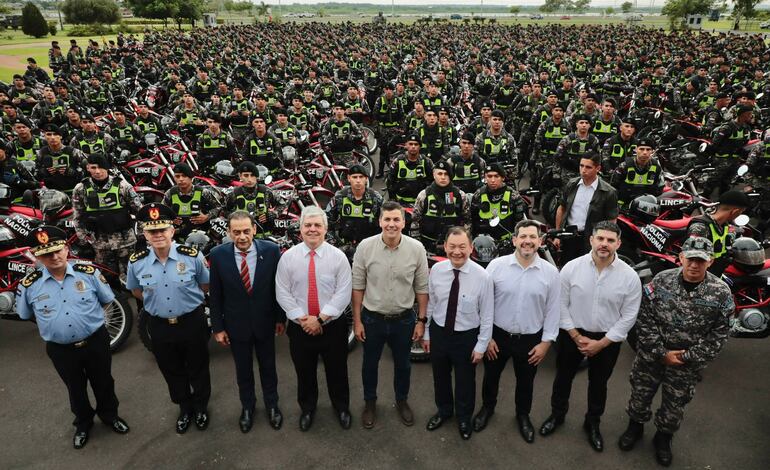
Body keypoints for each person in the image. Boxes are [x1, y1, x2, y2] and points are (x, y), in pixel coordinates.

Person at [619, 237, 733, 467]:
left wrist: (685, 357)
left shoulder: (721, 293)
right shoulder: (661, 281)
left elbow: (720, 335)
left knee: (675, 405)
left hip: (686, 364)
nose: (694, 265)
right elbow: (644, 318)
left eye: (700, 261)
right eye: (690, 259)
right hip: (651, 357)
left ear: (710, 261)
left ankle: (663, 438)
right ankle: (635, 428)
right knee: (640, 395)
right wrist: (661, 352)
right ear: (681, 258)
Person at [16, 225, 130, 449]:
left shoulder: (88, 273)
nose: (54, 256)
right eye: (46, 253)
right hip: (61, 348)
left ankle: (110, 416)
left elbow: (107, 299)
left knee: (104, 382)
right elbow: (25, 313)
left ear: (66, 249)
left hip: (95, 341)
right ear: (38, 256)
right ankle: (83, 423)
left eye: (58, 250)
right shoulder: (29, 285)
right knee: (75, 388)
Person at [539, 221, 642, 452]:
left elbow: (628, 316)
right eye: (601, 239)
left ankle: (592, 424)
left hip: (607, 341)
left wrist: (602, 343)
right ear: (591, 240)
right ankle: (557, 415)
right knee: (563, 378)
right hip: (571, 335)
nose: (604, 244)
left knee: (598, 384)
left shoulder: (630, 277)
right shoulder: (571, 268)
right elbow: (560, 305)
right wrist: (576, 337)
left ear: (619, 243)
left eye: (610, 240)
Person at [126, 203, 211, 435]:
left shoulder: (192, 255)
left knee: (199, 367)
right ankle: (185, 408)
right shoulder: (137, 261)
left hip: (192, 321)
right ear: (145, 234)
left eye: (162, 229)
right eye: (152, 231)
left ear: (172, 231)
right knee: (171, 369)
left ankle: (201, 406)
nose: (158, 235)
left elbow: (205, 285)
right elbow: (135, 290)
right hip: (160, 325)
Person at [473, 220, 560, 442]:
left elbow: (553, 310)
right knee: (490, 377)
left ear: (540, 241)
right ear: (514, 240)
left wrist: (546, 343)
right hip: (498, 336)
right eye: (523, 236)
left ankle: (523, 416)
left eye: (533, 237)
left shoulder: (551, 274)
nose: (527, 241)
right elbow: (485, 304)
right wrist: (488, 337)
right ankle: (487, 409)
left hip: (531, 340)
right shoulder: (496, 266)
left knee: (526, 382)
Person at [351, 200, 429, 429]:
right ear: (379, 221)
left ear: (404, 222)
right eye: (387, 219)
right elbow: (358, 287)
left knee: (403, 364)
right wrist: (357, 321)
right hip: (372, 319)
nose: (391, 224)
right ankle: (370, 402)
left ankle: (402, 400)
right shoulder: (365, 247)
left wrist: (421, 320)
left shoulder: (416, 249)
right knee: (369, 364)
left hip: (404, 320)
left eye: (396, 219)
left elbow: (422, 288)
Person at [275, 206, 353, 432]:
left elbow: (343, 293)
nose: (312, 229)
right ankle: (307, 408)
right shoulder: (288, 258)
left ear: (326, 229)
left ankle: (342, 407)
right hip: (300, 328)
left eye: (317, 225)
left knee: (337, 371)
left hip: (332, 327)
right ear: (300, 229)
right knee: (304, 372)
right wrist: (303, 319)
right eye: (308, 225)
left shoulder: (338, 257)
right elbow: (282, 292)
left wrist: (319, 319)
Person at [209, 211, 285, 433]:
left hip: (266, 323)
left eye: (245, 231)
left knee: (268, 368)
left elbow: (278, 288)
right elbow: (215, 295)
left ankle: (272, 405)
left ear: (254, 229)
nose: (241, 237)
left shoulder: (271, 251)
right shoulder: (218, 255)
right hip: (236, 325)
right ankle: (248, 408)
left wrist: (281, 318)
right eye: (236, 232)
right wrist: (218, 327)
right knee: (243, 371)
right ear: (229, 233)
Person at [422, 226, 494, 440]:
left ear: (471, 247)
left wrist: (481, 345)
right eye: (452, 246)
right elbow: (433, 304)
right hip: (440, 332)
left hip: (466, 337)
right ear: (445, 247)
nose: (457, 251)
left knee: (465, 381)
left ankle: (463, 417)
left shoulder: (483, 277)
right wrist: (427, 334)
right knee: (440, 377)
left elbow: (487, 314)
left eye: (462, 246)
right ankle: (444, 411)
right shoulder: (436, 270)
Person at [71, 153, 142, 277]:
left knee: (130, 275)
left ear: (107, 167)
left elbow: (139, 211)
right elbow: (78, 215)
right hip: (99, 242)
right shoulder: (81, 189)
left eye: (101, 167)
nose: (97, 172)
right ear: (88, 168)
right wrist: (83, 237)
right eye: (93, 168)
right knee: (105, 277)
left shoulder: (123, 186)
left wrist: (142, 234)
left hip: (125, 240)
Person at [554, 153, 619, 265]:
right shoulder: (572, 184)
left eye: (588, 167)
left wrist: (604, 242)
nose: (583, 170)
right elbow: (562, 208)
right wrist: (557, 234)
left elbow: (612, 221)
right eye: (581, 166)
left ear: (598, 168)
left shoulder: (608, 192)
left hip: (591, 240)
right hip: (569, 237)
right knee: (566, 269)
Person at [411, 159, 470, 254]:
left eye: (446, 174)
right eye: (440, 174)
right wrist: (417, 246)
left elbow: (467, 221)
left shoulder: (460, 196)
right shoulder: (424, 195)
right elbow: (415, 221)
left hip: (454, 247)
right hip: (427, 246)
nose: (443, 177)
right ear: (434, 175)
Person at [686, 189, 750, 276]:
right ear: (734, 211)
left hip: (714, 277)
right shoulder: (700, 228)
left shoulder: (723, 226)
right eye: (740, 212)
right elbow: (693, 266)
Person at [326, 164, 384, 246]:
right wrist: (335, 244)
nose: (358, 180)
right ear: (349, 178)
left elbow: (386, 222)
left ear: (366, 179)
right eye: (354, 177)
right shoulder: (340, 197)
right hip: (345, 245)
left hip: (370, 246)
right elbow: (326, 222)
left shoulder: (375, 198)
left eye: (361, 177)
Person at [162, 163, 222, 241]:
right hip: (176, 236)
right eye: (177, 176)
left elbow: (219, 207)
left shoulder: (203, 192)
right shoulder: (170, 193)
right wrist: (170, 220)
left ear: (191, 178)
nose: (181, 179)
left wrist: (207, 217)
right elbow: (162, 212)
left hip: (201, 236)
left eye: (184, 176)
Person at [469, 163, 527, 243]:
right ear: (485, 177)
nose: (493, 180)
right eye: (489, 176)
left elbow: (520, 223)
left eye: (496, 176)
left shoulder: (513, 196)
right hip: (483, 242)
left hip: (507, 242)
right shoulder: (478, 195)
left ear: (502, 178)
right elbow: (472, 220)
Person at [222, 161, 277, 239]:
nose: (249, 179)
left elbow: (282, 204)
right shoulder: (233, 194)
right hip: (241, 237)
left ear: (257, 177)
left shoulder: (266, 191)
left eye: (252, 175)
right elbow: (223, 211)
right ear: (240, 176)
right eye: (246, 175)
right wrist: (235, 218)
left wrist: (273, 214)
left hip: (264, 236)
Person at [610, 138, 664, 208]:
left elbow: (660, 188)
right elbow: (613, 187)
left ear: (652, 151)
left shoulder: (657, 167)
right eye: (641, 149)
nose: (645, 152)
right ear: (636, 149)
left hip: (646, 206)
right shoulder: (624, 166)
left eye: (648, 149)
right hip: (623, 205)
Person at [386, 132, 433, 206]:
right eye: (410, 144)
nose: (413, 146)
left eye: (416, 144)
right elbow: (390, 181)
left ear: (420, 146)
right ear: (406, 146)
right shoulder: (398, 161)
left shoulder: (426, 161)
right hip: (401, 202)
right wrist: (393, 200)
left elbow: (432, 181)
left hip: (421, 203)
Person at [320, 101, 363, 169]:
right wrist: (330, 141)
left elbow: (360, 135)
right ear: (333, 110)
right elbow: (322, 135)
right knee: (337, 176)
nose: (339, 111)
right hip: (335, 154)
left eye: (341, 109)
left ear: (344, 110)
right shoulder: (330, 123)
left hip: (348, 154)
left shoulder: (350, 122)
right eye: (337, 109)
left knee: (350, 174)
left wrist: (351, 137)